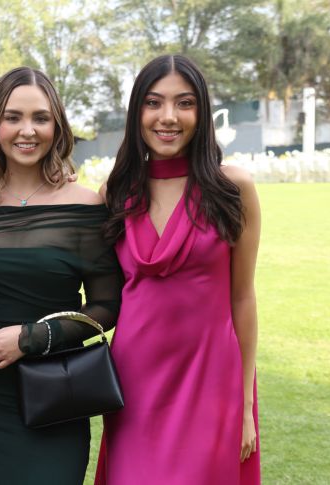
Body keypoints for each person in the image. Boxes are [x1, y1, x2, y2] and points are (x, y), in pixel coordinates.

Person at [0, 66, 123, 485]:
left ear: (56, 126)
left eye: (40, 118)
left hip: (55, 394)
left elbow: (107, 306)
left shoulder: (86, 205)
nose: (28, 130)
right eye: (13, 117)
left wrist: (31, 338)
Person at [94, 54, 262, 484]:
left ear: (201, 113)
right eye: (154, 103)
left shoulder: (232, 188)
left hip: (212, 384)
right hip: (134, 388)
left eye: (184, 103)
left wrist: (244, 405)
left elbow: (242, 297)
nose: (168, 117)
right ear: (137, 113)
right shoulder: (113, 193)